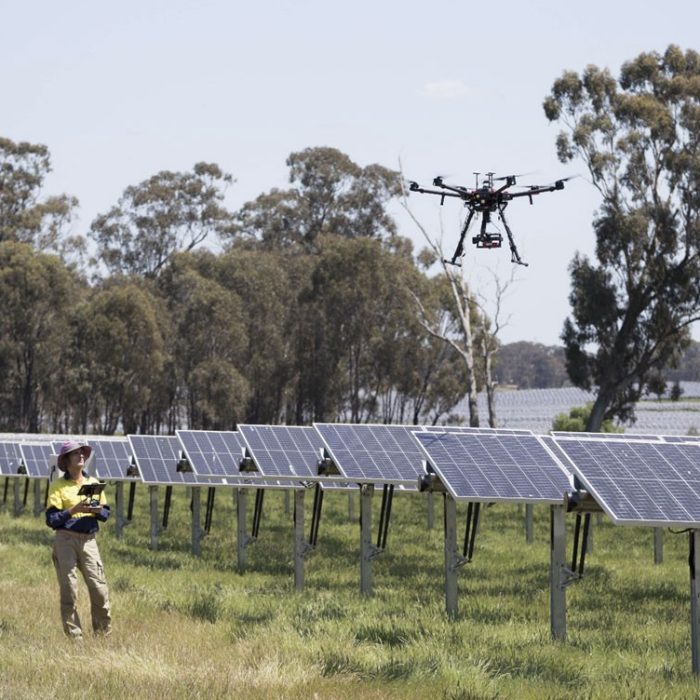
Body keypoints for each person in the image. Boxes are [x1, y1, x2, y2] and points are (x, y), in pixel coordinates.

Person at [45, 440, 112, 639]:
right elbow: (51, 520)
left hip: (89, 540)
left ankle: (103, 636)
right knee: (69, 589)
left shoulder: (93, 484)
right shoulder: (58, 486)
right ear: (66, 460)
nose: (81, 456)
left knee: (99, 589)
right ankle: (75, 638)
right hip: (65, 540)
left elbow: (106, 514)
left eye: (83, 453)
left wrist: (95, 509)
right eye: (76, 453)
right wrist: (74, 510)